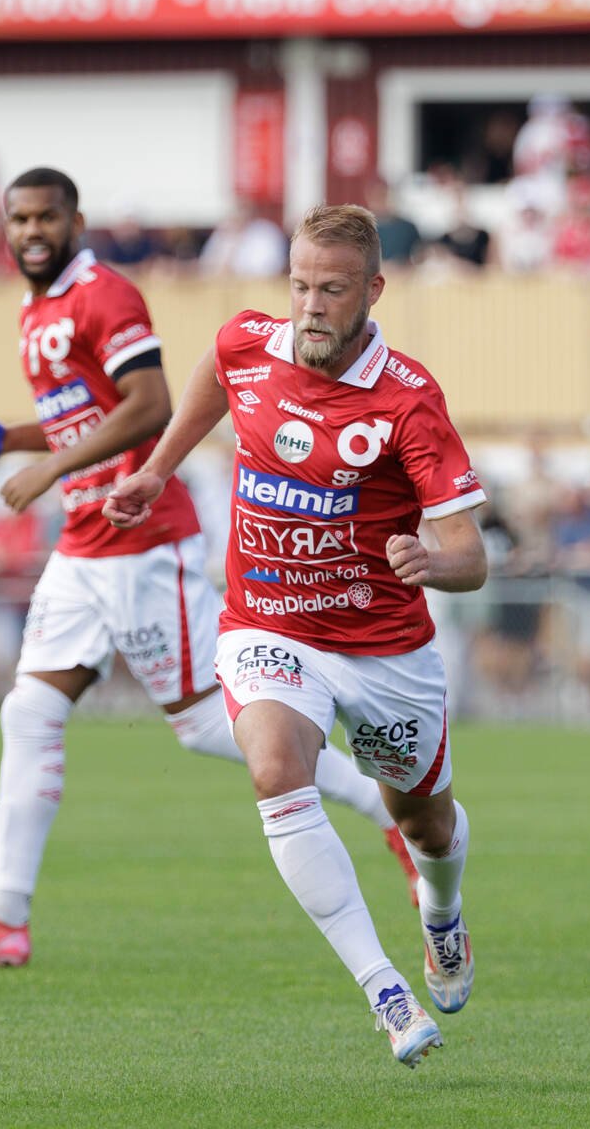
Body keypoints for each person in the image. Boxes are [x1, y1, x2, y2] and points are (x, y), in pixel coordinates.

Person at [0, 171, 415, 969]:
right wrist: (10, 439)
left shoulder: (106, 295)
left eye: (46, 216)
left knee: (209, 726)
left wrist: (41, 471)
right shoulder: (37, 307)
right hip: (84, 543)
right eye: (18, 218)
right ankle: (5, 915)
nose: (31, 230)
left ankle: (389, 814)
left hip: (142, 544)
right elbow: (86, 416)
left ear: (76, 220)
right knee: (28, 712)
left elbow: (146, 406)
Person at [103, 203, 489, 1067]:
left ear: (373, 291)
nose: (311, 305)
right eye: (300, 285)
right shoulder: (251, 343)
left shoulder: (406, 401)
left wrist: (431, 560)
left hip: (386, 649)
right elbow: (213, 366)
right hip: (267, 624)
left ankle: (442, 911)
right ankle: (386, 994)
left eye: (332, 289)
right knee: (276, 768)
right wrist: (157, 468)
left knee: (424, 824)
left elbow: (471, 555)